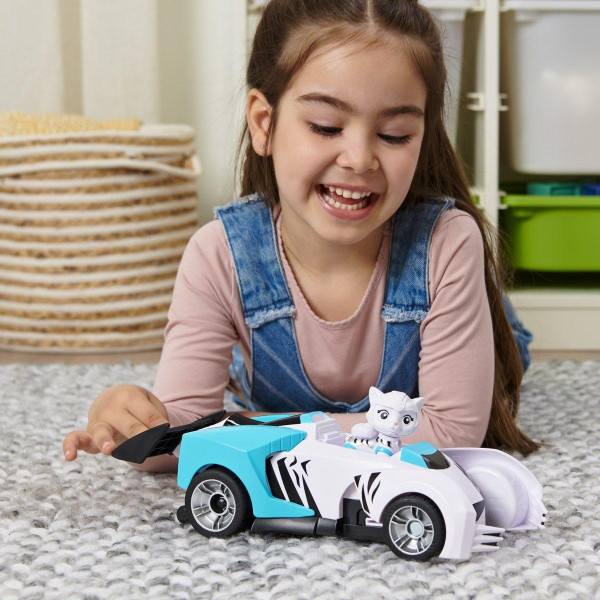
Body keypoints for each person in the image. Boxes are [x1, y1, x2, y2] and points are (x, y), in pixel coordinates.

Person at [63, 0, 541, 472]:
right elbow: (177, 440)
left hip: (459, 292)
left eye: (395, 134)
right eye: (326, 127)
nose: (359, 159)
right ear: (263, 124)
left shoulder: (448, 242)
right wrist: (133, 421)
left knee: (501, 347)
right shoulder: (219, 254)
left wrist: (237, 427)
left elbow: (452, 433)